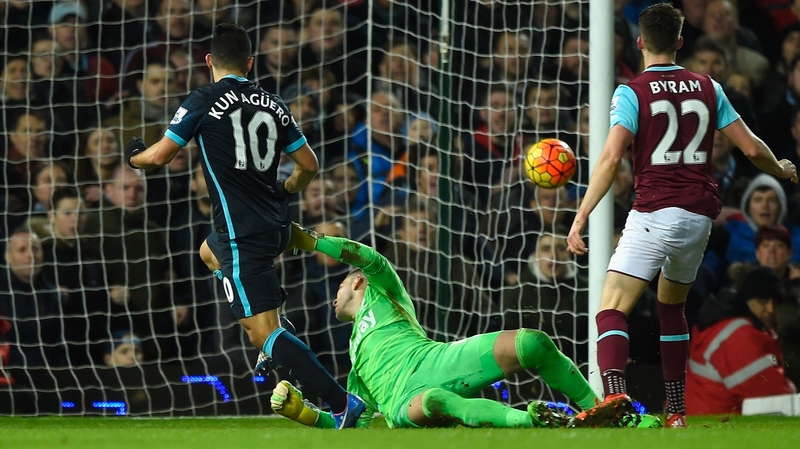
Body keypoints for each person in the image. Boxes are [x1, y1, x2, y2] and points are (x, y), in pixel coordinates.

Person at [566, 3, 798, 429]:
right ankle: (676, 412)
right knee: (672, 308)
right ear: (679, 41)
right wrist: (780, 168)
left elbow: (611, 157)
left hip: (654, 210)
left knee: (611, 307)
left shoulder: (631, 92)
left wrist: (581, 216)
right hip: (698, 217)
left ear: (640, 42)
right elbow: (750, 147)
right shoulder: (709, 87)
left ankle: (615, 396)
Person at [125, 23, 364, 429]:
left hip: (242, 234)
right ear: (250, 63)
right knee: (207, 252)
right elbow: (309, 165)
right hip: (274, 225)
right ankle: (275, 326)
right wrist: (287, 188)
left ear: (208, 61)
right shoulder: (273, 103)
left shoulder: (203, 99)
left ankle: (342, 403)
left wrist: (133, 156)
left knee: (262, 335)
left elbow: (159, 157)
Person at [269, 224, 660, 429]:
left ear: (356, 282)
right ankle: (533, 420)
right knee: (436, 401)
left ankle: (605, 412)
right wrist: (302, 413)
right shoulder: (356, 358)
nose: (333, 296)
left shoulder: (384, 293)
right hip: (406, 401)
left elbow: (368, 257)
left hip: (436, 359)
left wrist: (311, 241)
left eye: (338, 286)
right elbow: (353, 419)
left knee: (532, 343)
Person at [685, 267, 796, 415]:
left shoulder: (730, 321)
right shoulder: (738, 334)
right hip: (712, 419)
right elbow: (772, 395)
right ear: (747, 300)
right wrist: (792, 388)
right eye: (763, 301)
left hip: (702, 415)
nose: (770, 309)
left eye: (775, 303)